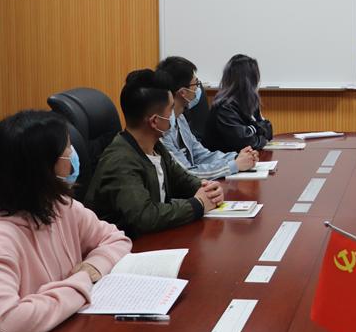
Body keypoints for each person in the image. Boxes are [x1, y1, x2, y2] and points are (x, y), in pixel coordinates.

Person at [0, 110, 132, 332]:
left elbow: (116, 238)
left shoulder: (60, 206)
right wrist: (80, 283)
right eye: (67, 149)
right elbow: (7, 322)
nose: (73, 155)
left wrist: (94, 266)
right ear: (42, 166)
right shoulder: (4, 237)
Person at [85, 69, 224, 237]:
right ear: (154, 121)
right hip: (125, 245)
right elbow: (145, 217)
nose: (174, 114)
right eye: (171, 109)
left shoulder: (155, 146)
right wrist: (197, 205)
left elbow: (181, 179)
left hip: (155, 238)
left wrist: (207, 189)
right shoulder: (120, 161)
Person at [157, 56, 258, 179]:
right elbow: (186, 173)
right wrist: (234, 165)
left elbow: (201, 155)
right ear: (183, 92)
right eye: (196, 84)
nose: (198, 89)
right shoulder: (162, 128)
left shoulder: (180, 119)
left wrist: (237, 158)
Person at [205, 54, 273, 153]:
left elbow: (268, 131)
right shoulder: (225, 107)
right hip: (225, 160)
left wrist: (257, 133)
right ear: (250, 80)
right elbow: (245, 143)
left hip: (242, 157)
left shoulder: (250, 102)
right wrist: (261, 137)